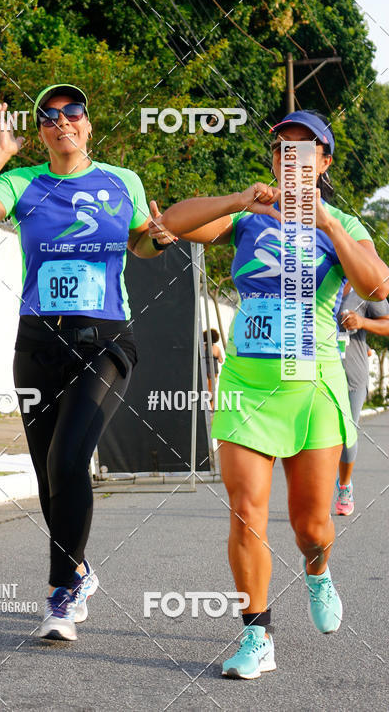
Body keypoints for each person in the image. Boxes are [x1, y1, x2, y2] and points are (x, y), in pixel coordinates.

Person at [151, 110, 389, 678]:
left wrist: (326, 222)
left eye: (306, 150)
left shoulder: (347, 225)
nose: (292, 158)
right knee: (245, 513)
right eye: (283, 148)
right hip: (246, 385)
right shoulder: (249, 216)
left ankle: (318, 571)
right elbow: (178, 224)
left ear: (324, 163)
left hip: (314, 385)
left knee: (312, 528)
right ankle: (256, 635)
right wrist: (237, 200)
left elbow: (377, 285)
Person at [0, 84, 176, 641]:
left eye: (73, 112)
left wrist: (160, 239)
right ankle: (79, 568)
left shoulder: (122, 181)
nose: (61, 122)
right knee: (49, 474)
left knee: (70, 458)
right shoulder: (23, 183)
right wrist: (0, 152)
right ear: (43, 130)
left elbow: (140, 243)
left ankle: (61, 594)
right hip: (38, 343)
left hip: (105, 341)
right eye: (49, 116)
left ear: (89, 124)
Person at [334, 281, 389, 514]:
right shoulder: (313, 281)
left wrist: (362, 322)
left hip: (351, 375)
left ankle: (344, 485)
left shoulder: (363, 288)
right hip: (311, 371)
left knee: (347, 435)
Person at [204, 327, 223, 394]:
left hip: (204, 370)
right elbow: (221, 361)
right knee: (211, 390)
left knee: (204, 389)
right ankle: (211, 404)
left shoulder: (203, 347)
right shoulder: (216, 348)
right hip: (213, 371)